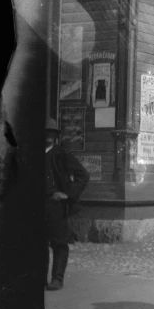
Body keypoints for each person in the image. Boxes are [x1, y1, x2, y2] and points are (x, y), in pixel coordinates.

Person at [45, 118, 90, 291]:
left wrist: (67, 194)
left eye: (52, 134)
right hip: (35, 205)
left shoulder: (61, 154)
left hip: (55, 205)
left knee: (58, 242)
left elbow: (83, 176)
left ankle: (57, 279)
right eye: (45, 133)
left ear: (56, 136)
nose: (49, 136)